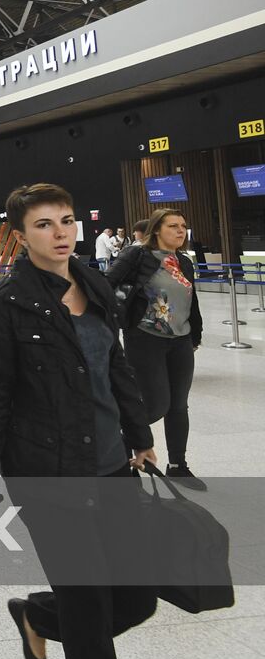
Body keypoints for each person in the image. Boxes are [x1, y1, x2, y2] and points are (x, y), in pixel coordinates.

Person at [0, 183, 157, 659]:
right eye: (44, 224)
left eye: (67, 220)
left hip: (112, 463)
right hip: (47, 472)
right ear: (21, 236)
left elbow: (115, 364)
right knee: (89, 606)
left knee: (137, 598)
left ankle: (39, 616)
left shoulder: (93, 283)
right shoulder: (8, 301)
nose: (61, 233)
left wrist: (140, 434)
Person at [105, 207, 205, 490]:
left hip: (180, 340)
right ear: (156, 229)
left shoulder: (183, 261)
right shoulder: (137, 255)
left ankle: (178, 466)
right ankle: (117, 449)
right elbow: (107, 284)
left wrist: (195, 333)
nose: (180, 230)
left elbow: (191, 301)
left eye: (183, 225)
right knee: (156, 404)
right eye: (173, 225)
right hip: (145, 338)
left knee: (178, 405)